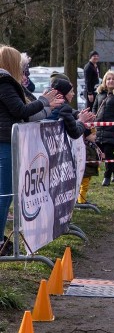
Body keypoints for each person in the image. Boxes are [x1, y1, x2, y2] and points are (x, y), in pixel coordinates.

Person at [0, 46, 61, 255]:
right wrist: (44, 101)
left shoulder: (7, 82)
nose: (23, 68)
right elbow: (20, 111)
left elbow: (23, 114)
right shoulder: (4, 82)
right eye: (20, 63)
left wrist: (45, 107)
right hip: (5, 142)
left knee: (6, 194)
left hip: (8, 140)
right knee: (4, 193)